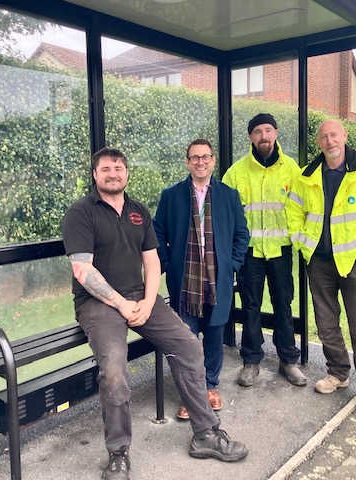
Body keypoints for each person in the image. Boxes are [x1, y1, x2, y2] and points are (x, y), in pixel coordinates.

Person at [61, 147, 248, 480]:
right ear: (95, 174)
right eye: (105, 169)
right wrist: (121, 304)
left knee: (190, 346)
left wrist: (149, 302)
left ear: (127, 172)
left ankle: (205, 434)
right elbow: (82, 271)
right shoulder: (81, 212)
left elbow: (151, 259)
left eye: (118, 167)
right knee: (115, 370)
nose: (113, 173)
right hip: (98, 304)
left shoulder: (138, 211)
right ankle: (118, 454)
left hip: (140, 298)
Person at [286, 119, 356, 423]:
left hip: (352, 264)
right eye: (324, 136)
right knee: (327, 324)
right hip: (318, 263)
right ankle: (338, 374)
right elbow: (293, 210)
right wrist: (302, 243)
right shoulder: (307, 176)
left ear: (344, 136)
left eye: (334, 135)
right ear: (318, 142)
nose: (330, 140)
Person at [153, 139, 249, 420]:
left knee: (214, 335)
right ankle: (190, 395)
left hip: (217, 280)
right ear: (187, 162)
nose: (200, 162)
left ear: (213, 160)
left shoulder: (228, 196)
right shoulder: (171, 196)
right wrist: (169, 265)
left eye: (205, 157)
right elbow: (158, 234)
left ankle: (209, 387)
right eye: (194, 158)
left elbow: (241, 234)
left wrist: (233, 263)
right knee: (186, 339)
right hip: (185, 282)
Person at [222, 113, 307, 388]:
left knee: (283, 305)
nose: (263, 136)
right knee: (250, 307)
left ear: (276, 133)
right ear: (250, 137)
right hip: (250, 253)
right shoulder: (236, 172)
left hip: (281, 251)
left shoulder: (292, 170)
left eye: (268, 130)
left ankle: (288, 361)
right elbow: (225, 213)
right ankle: (251, 360)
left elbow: (303, 207)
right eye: (257, 131)